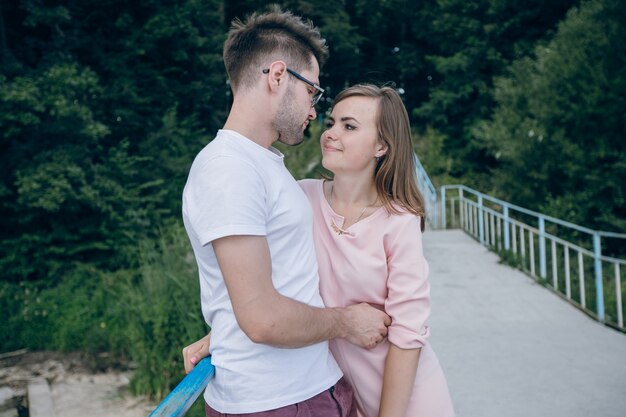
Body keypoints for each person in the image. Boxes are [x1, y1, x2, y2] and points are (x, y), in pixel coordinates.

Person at [185, 84, 456, 417]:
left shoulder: (398, 221)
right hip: (341, 393)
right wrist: (222, 335)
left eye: (349, 126)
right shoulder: (302, 199)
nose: (330, 133)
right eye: (331, 123)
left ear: (382, 145)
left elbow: (408, 334)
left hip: (404, 399)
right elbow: (268, 286)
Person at [181, 7, 390, 417]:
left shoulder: (261, 163)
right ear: (278, 76)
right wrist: (348, 323)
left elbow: (277, 284)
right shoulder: (229, 169)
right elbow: (262, 319)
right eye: (313, 91)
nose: (314, 110)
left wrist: (223, 332)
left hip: (309, 388)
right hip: (275, 402)